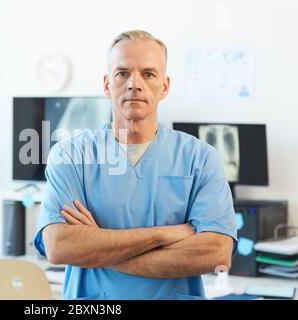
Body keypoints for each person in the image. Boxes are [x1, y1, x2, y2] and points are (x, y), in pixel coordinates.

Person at [34, 30, 237, 300]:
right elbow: (60, 247)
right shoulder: (70, 156)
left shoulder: (200, 158)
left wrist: (98, 247)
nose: (134, 84)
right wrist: (166, 234)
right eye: (122, 74)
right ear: (107, 84)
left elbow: (216, 253)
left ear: (165, 86)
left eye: (148, 74)